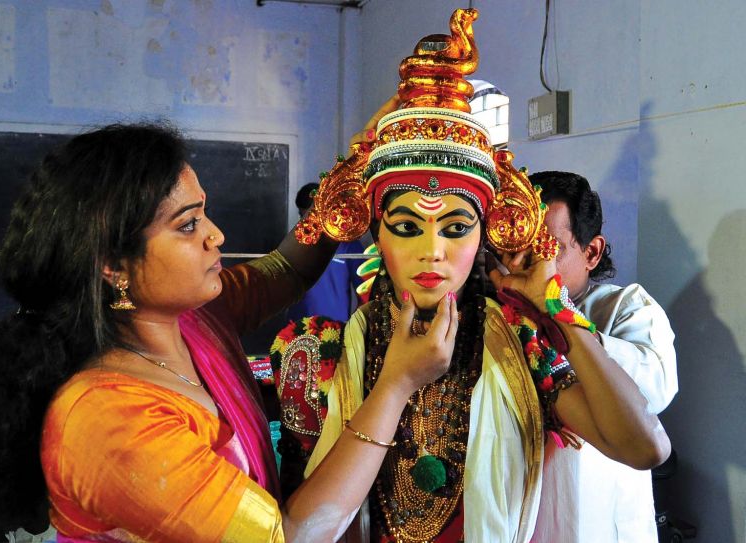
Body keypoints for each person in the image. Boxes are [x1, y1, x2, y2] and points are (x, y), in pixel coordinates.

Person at [0, 110, 470, 541]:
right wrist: (397, 385)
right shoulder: (108, 421)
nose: (216, 235)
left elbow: (289, 267)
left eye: (205, 214)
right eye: (188, 224)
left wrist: (365, 158)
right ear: (111, 264)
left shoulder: (196, 318)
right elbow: (286, 536)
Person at [271, 8, 670, 542]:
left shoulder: (519, 345)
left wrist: (555, 309)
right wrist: (394, 384)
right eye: (407, 226)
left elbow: (644, 448)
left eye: (456, 227)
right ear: (375, 234)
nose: (433, 252)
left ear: (486, 234)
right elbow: (298, 531)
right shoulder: (321, 356)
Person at [528, 171, 678, 543]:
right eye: (521, 247)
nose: (531, 264)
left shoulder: (626, 308)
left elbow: (656, 390)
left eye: (550, 250)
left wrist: (559, 317)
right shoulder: (501, 314)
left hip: (602, 522)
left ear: (591, 252)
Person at [286, 183, 364, 323]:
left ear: (326, 210)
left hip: (334, 330)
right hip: (297, 328)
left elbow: (364, 292)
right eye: (302, 217)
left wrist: (354, 328)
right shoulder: (295, 242)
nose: (306, 223)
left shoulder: (347, 245)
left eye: (312, 217)